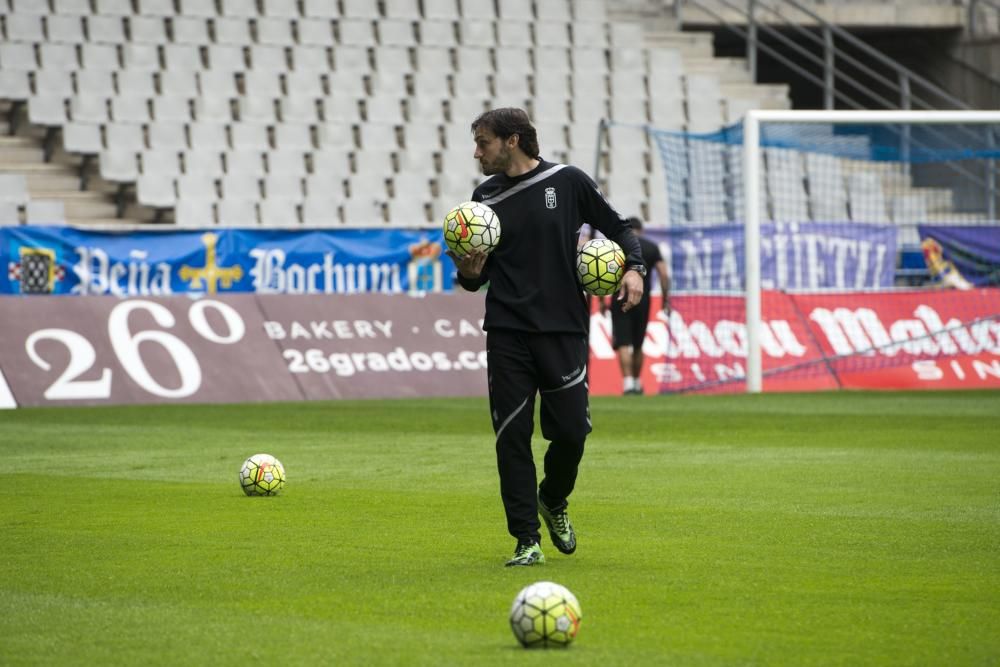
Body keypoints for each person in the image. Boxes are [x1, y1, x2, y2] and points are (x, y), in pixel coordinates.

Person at [448, 108, 646, 567]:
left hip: (563, 327)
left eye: (483, 142)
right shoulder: (483, 199)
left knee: (572, 432)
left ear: (512, 140)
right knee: (511, 437)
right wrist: (468, 272)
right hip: (507, 331)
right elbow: (476, 278)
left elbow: (617, 227)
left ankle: (553, 499)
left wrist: (633, 268)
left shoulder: (569, 181)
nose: (477, 152)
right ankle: (526, 540)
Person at [606, 216, 671, 395]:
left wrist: (603, 301)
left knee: (623, 342)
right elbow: (664, 275)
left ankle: (627, 384)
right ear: (641, 229)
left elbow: (603, 272)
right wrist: (665, 300)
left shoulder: (617, 246)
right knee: (638, 343)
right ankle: (636, 381)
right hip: (642, 298)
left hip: (619, 296)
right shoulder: (651, 246)